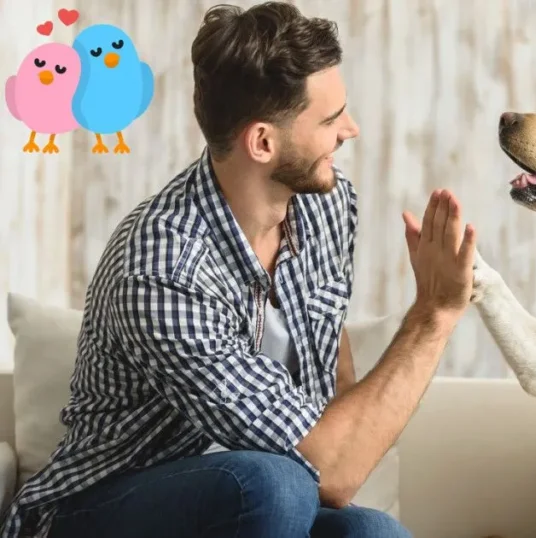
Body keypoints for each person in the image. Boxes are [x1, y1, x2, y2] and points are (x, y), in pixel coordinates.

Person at [0, 2, 477, 537]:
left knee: (373, 533)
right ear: (263, 142)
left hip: (268, 504)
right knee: (271, 485)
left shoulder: (326, 203)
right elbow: (332, 471)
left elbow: (332, 375)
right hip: (104, 508)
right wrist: (433, 314)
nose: (351, 128)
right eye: (329, 118)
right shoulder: (161, 268)